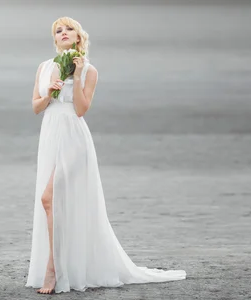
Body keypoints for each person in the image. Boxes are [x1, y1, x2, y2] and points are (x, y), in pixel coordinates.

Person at [26, 16, 187, 294]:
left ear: (79, 37)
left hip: (74, 139)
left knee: (48, 198)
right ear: (55, 40)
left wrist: (75, 77)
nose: (64, 33)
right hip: (50, 136)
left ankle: (53, 269)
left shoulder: (89, 70)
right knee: (56, 203)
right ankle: (63, 263)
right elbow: (36, 107)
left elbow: (80, 109)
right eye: (58, 31)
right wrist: (50, 93)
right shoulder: (43, 67)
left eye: (69, 29)